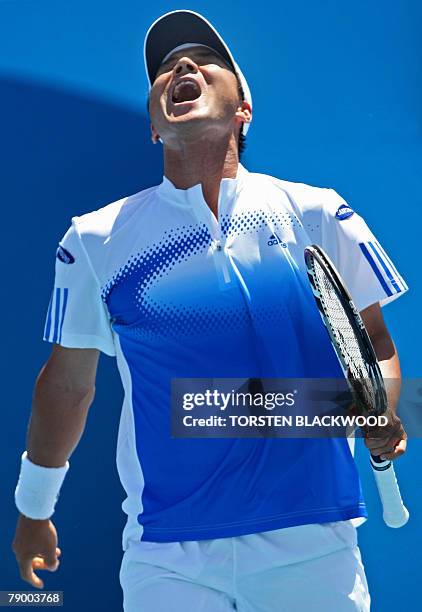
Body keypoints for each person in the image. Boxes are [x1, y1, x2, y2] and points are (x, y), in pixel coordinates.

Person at [12, 9, 408, 611]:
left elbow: (372, 344)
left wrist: (382, 409)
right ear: (152, 126)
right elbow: (67, 386)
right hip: (166, 557)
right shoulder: (92, 240)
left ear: (243, 110)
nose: (182, 67)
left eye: (203, 59)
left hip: (312, 545)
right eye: (166, 67)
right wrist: (34, 505)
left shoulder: (320, 214)